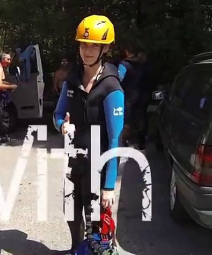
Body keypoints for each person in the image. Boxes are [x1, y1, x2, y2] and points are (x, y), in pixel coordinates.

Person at [53, 14, 124, 254]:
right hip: (75, 160)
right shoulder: (72, 79)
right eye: (84, 44)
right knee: (71, 213)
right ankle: (76, 249)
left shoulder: (111, 85)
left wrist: (109, 186)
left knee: (97, 228)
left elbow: (115, 140)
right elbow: (58, 114)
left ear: (105, 48)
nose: (88, 50)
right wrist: (62, 124)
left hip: (99, 163)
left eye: (94, 45)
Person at [117, 46, 144, 148]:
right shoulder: (141, 64)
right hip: (139, 93)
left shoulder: (124, 64)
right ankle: (140, 142)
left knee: (126, 119)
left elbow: (119, 79)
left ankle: (125, 141)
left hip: (126, 95)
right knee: (138, 117)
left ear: (126, 51)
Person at [0, 52, 18, 144]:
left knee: (5, 116)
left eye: (10, 59)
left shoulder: (1, 68)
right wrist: (11, 87)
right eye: (8, 59)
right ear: (3, 60)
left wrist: (9, 84)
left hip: (2, 97)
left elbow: (2, 82)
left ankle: (3, 135)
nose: (9, 61)